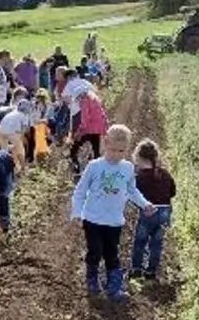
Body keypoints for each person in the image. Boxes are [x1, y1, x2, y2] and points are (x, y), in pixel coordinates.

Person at [71, 124, 155, 300]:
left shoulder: (127, 168)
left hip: (114, 220)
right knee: (94, 250)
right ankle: (92, 280)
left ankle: (114, 287)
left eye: (121, 151)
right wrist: (77, 212)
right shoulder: (95, 166)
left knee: (112, 253)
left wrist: (145, 204)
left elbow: (132, 191)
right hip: (92, 218)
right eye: (113, 150)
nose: (116, 155)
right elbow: (80, 190)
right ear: (105, 143)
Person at [129, 139, 177, 281]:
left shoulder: (139, 177)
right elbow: (173, 192)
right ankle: (151, 272)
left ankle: (137, 270)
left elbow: (134, 197)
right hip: (165, 212)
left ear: (138, 157)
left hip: (148, 212)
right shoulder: (165, 174)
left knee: (140, 242)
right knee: (156, 244)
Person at [70, 90, 108, 176]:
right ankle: (98, 172)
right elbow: (103, 115)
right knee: (96, 151)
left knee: (74, 150)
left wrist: (79, 131)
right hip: (98, 128)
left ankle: (77, 170)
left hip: (88, 129)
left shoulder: (84, 101)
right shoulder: (95, 100)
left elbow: (85, 119)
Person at [0, 97, 34, 169]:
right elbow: (23, 130)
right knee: (20, 149)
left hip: (1, 131)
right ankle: (23, 167)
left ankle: (6, 166)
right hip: (12, 132)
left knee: (4, 150)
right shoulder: (24, 115)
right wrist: (21, 138)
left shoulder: (12, 113)